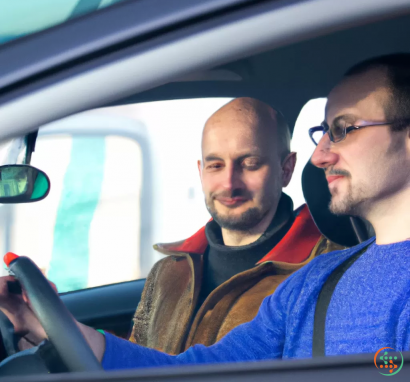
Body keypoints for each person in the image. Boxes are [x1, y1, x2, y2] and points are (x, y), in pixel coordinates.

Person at [3, 53, 410, 369]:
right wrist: (59, 330)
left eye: (343, 129)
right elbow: (205, 370)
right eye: (322, 134)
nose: (320, 156)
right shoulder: (316, 282)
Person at [129, 97, 341, 354]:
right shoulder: (168, 272)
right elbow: (134, 363)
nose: (229, 183)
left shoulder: (329, 271)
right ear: (200, 172)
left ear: (286, 170)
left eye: (249, 164)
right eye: (215, 165)